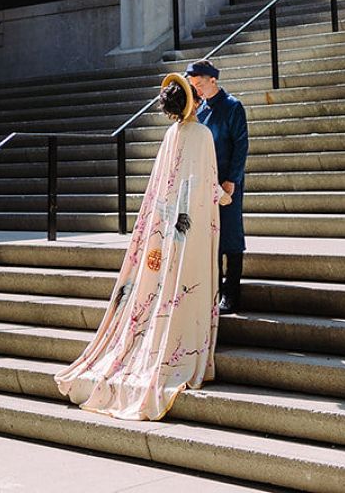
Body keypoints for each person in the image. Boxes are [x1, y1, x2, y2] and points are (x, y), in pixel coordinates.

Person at [54, 73, 221, 420]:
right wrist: (223, 195)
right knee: (186, 282)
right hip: (189, 225)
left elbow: (164, 184)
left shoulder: (171, 135)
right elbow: (205, 182)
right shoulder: (202, 135)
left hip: (168, 222)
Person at [186, 59, 249, 314]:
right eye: (193, 86)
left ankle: (231, 294)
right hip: (206, 183)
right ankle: (214, 291)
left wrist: (232, 179)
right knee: (210, 237)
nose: (197, 90)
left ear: (213, 80)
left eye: (199, 84)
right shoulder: (199, 111)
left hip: (228, 181)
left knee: (231, 235)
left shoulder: (233, 106)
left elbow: (241, 145)